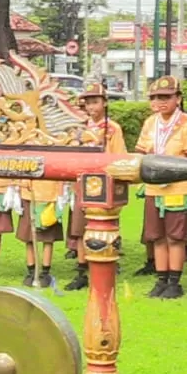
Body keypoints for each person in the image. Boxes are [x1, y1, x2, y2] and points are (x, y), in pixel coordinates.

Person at [136, 76, 187, 299]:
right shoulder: (150, 123)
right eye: (155, 97)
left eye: (166, 97)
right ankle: (161, 279)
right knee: (157, 236)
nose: (160, 102)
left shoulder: (186, 123)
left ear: (178, 98)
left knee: (175, 237)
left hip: (178, 188)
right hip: (154, 187)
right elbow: (141, 154)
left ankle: (174, 282)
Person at [63, 83, 126, 291]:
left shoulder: (112, 128)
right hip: (82, 183)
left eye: (95, 102)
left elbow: (119, 156)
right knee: (80, 229)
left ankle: (107, 263)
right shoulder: (80, 127)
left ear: (105, 103)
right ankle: (81, 269)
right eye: (88, 103)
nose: (91, 107)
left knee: (105, 227)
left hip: (104, 184)